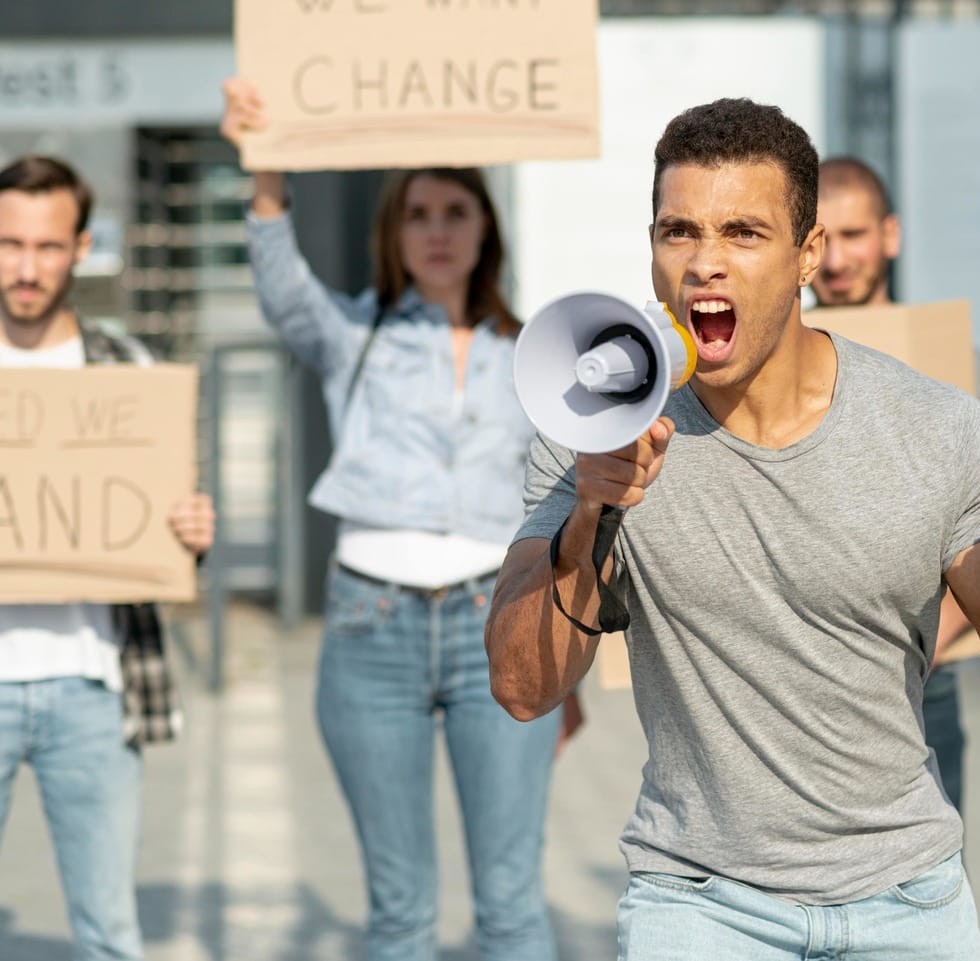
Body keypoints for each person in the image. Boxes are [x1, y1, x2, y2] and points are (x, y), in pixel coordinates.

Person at [486, 97, 980, 960]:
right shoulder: (593, 423)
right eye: (678, 231)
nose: (705, 263)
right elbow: (520, 687)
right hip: (698, 901)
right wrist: (593, 511)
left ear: (808, 252)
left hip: (906, 898)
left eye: (743, 232)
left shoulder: (937, 428)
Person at [220, 80, 570, 961]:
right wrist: (266, 176)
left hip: (500, 617)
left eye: (457, 209)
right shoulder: (355, 332)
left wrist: (566, 651)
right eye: (419, 213)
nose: (439, 229)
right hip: (369, 624)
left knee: (512, 904)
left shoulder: (534, 351)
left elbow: (568, 495)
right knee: (400, 912)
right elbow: (281, 290)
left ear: (486, 224)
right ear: (395, 231)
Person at [0, 155, 214, 961]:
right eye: (8, 243)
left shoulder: (130, 370)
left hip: (94, 686)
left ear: (80, 247)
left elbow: (168, 538)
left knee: (110, 935)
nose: (25, 267)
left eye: (47, 246)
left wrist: (191, 531)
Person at [810, 155, 980, 816]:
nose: (838, 259)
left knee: (927, 888)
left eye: (855, 235)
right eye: (821, 239)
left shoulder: (949, 358)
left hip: (924, 674)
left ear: (890, 236)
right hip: (800, 672)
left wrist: (924, 642)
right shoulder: (767, 363)